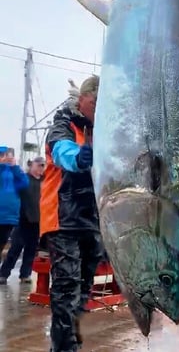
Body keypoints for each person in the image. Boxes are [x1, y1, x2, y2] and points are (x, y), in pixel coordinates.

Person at [40, 75, 103, 352]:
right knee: (66, 285)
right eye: (95, 102)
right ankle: (63, 347)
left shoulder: (102, 130)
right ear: (82, 100)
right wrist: (79, 157)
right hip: (62, 218)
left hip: (91, 219)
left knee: (85, 283)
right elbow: (61, 150)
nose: (99, 108)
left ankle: (69, 333)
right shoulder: (63, 125)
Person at [0, 156, 45, 284]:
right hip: (22, 219)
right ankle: (3, 274)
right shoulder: (23, 179)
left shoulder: (45, 181)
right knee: (15, 248)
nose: (41, 168)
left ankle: (25, 275)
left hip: (37, 220)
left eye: (43, 165)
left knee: (31, 250)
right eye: (39, 165)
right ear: (31, 165)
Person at [0, 147, 29, 261]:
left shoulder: (14, 171)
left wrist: (14, 167)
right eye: (2, 155)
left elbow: (24, 183)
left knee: (2, 242)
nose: (5, 158)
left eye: (7, 155)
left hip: (9, 216)